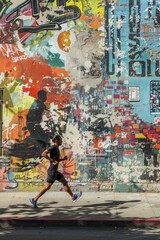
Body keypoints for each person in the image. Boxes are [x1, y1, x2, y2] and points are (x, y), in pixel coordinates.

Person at [30, 134, 82, 208]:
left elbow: (56, 160)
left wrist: (63, 159)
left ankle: (73, 196)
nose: (61, 141)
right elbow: (43, 154)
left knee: (64, 182)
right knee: (47, 187)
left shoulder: (56, 148)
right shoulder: (53, 147)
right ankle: (34, 199)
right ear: (57, 140)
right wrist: (51, 160)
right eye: (60, 139)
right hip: (52, 171)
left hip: (55, 171)